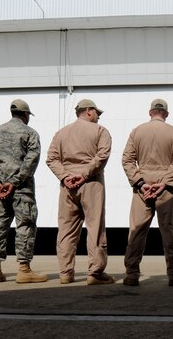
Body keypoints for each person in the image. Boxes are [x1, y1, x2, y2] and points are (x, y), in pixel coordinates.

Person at [47, 99, 115, 285]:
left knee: (66, 230)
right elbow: (102, 155)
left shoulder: (61, 133)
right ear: (88, 111)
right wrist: (83, 174)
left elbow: (51, 158)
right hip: (91, 183)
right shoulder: (100, 131)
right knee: (95, 228)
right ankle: (95, 273)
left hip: (67, 186)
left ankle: (65, 273)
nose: (99, 117)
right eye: (97, 113)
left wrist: (65, 177)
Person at [121, 99, 173, 287]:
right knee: (169, 232)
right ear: (165, 114)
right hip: (165, 188)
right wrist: (164, 182)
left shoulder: (137, 131)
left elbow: (127, 160)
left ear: (150, 112)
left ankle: (132, 275)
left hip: (142, 187)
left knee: (136, 232)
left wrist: (140, 183)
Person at [0, 99, 46, 284]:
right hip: (22, 190)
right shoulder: (30, 133)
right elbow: (31, 160)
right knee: (25, 226)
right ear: (25, 115)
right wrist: (15, 182)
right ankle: (24, 270)